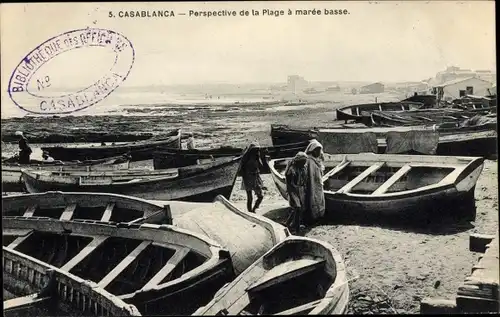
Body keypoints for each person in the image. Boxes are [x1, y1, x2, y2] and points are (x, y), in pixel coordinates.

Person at [284, 152, 308, 235]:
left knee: (298, 209)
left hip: (301, 190)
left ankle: (288, 224)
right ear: (298, 161)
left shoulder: (303, 168)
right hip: (293, 190)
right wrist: (292, 195)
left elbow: (304, 181)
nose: (304, 163)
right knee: (297, 208)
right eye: (303, 161)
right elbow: (289, 185)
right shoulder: (291, 170)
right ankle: (296, 229)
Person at [303, 139, 326, 224]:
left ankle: (319, 216)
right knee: (313, 199)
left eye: (319, 150)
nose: (319, 152)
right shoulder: (310, 161)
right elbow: (309, 176)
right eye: (317, 150)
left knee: (319, 199)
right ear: (312, 151)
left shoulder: (316, 161)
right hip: (312, 184)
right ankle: (313, 217)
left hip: (318, 184)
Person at [240, 142, 264, 213]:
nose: (256, 151)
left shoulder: (256, 157)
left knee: (260, 196)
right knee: (250, 197)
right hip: (248, 178)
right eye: (255, 149)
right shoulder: (246, 158)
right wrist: (244, 178)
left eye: (257, 149)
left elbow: (261, 166)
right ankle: (250, 211)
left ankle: (254, 209)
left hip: (256, 177)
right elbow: (242, 169)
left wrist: (259, 157)